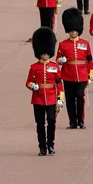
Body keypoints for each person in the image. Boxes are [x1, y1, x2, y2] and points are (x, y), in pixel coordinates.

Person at [26, 27, 63, 156]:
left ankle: (50, 145)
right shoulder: (34, 67)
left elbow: (59, 83)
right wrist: (33, 86)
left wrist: (60, 98)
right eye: (43, 52)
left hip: (52, 98)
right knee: (40, 124)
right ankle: (42, 147)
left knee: (52, 121)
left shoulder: (54, 66)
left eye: (47, 52)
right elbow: (28, 82)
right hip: (38, 98)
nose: (45, 54)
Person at [56, 8, 93, 129]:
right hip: (68, 74)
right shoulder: (63, 44)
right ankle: (72, 121)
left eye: (75, 30)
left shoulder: (85, 43)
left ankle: (81, 121)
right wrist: (61, 60)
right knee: (70, 99)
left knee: (80, 97)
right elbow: (58, 59)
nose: (73, 32)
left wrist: (90, 74)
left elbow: (90, 59)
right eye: (71, 30)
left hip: (82, 74)